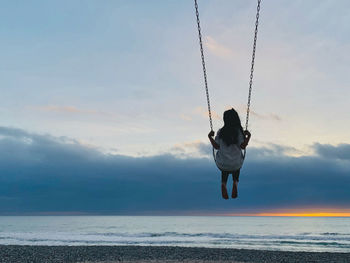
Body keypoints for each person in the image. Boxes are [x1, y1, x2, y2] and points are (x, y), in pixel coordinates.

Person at [208, 108, 251, 199]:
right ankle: (235, 182)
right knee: (236, 165)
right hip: (236, 164)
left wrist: (210, 137)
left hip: (222, 164)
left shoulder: (221, 132)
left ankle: (223, 183)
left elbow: (216, 146)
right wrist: (248, 136)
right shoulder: (239, 132)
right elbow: (243, 146)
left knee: (225, 167)